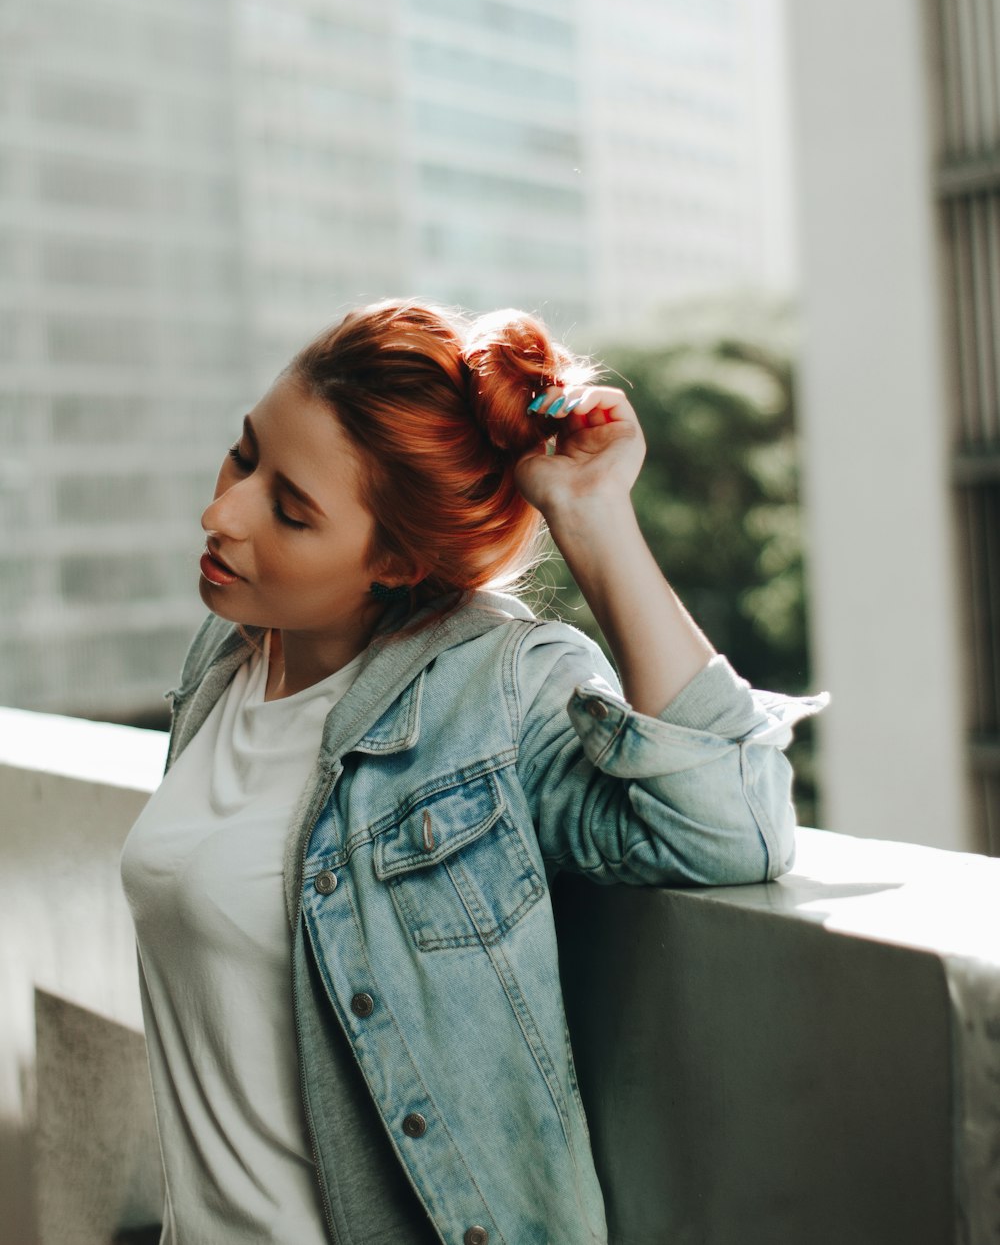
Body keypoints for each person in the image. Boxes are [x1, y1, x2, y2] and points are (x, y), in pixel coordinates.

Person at [120, 298, 827, 1245]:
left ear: (398, 562)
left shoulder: (487, 691)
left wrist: (591, 515)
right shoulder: (231, 653)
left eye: (290, 510)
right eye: (244, 455)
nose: (222, 511)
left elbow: (729, 829)